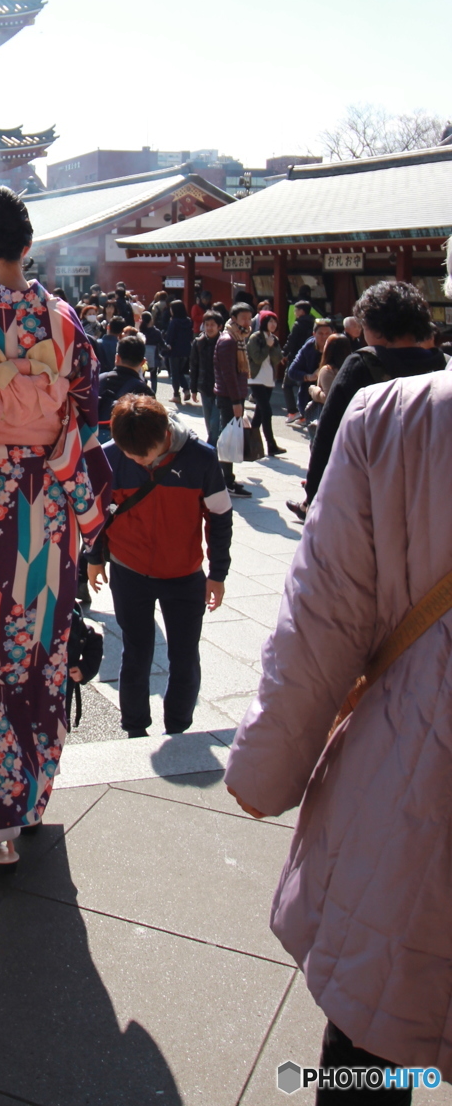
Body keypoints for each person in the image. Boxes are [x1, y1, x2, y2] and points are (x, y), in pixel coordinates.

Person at [224, 362, 452, 1099]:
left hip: (417, 786)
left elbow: (320, 623)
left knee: (375, 1046)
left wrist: (265, 772)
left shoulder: (397, 415)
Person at [0, 187, 111, 868]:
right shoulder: (66, 323)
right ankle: (32, 793)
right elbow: (87, 419)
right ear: (28, 246)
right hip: (50, 505)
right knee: (42, 646)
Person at [87, 394, 231, 737]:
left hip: (184, 574)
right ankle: (134, 727)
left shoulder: (201, 459)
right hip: (129, 570)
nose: (135, 460)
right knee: (135, 652)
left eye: (142, 455)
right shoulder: (110, 459)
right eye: (129, 454)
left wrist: (218, 573)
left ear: (165, 435)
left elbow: (220, 516)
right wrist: (93, 558)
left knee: (184, 656)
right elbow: (95, 516)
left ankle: (178, 726)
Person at [299, 281, 447, 513]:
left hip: (373, 494)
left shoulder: (362, 365)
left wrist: (314, 494)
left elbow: (328, 435)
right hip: (435, 492)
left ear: (375, 327)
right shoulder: (443, 365)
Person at [214, 303, 254, 497]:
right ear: (234, 318)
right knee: (227, 439)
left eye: (249, 317)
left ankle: (225, 479)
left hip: (234, 395)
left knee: (229, 438)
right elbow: (228, 374)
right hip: (229, 397)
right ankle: (225, 481)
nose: (247, 322)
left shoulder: (238, 338)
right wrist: (236, 401)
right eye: (243, 318)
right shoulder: (229, 340)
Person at [245, 310, 286, 457]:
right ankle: (271, 445)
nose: (273, 324)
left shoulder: (273, 338)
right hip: (256, 378)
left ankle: (250, 444)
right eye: (270, 321)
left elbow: (276, 359)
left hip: (268, 379)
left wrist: (273, 346)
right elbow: (256, 358)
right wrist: (267, 346)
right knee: (266, 411)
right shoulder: (255, 337)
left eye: (275, 322)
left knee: (259, 414)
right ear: (264, 323)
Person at [98, 333, 151, 441]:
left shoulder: (98, 380)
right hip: (125, 449)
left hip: (90, 445)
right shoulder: (144, 391)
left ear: (117, 358)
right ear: (143, 362)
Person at [189, 310, 223, 447]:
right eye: (207, 324)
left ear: (219, 326)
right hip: (204, 386)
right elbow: (194, 366)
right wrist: (193, 389)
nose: (209, 328)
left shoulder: (224, 342)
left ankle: (210, 450)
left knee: (215, 422)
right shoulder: (199, 343)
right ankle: (215, 448)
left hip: (221, 388)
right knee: (209, 423)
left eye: (212, 325)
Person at [283, 300, 316, 421]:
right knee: (306, 386)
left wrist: (284, 353)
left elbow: (291, 342)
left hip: (296, 358)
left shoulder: (298, 324)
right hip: (311, 357)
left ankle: (293, 412)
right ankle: (307, 414)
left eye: (296, 310)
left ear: (301, 311)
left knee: (287, 385)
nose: (295, 312)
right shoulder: (314, 323)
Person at [307, 334, 353, 409]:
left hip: (332, 415)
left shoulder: (328, 370)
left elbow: (328, 398)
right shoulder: (352, 367)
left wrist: (314, 390)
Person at [164, 300, 194, 404]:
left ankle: (176, 395)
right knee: (180, 371)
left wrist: (166, 346)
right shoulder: (188, 321)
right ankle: (186, 389)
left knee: (174, 373)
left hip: (174, 350)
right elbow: (190, 335)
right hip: (186, 350)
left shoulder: (174, 322)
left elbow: (170, 337)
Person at [138, 311, 166, 397]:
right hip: (154, 356)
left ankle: (142, 392)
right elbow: (162, 344)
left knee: (142, 375)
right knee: (153, 377)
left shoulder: (141, 331)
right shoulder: (156, 332)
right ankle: (153, 394)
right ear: (151, 320)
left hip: (143, 356)